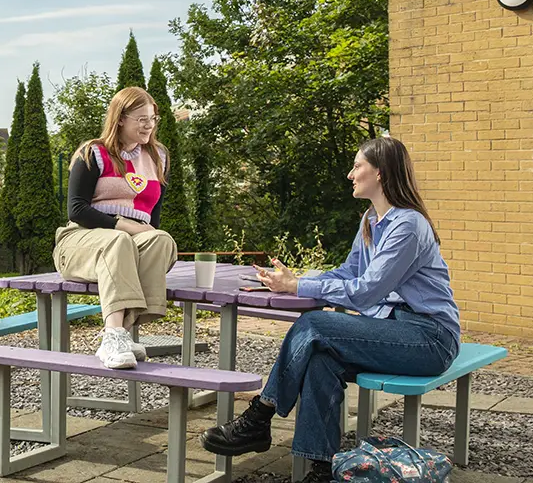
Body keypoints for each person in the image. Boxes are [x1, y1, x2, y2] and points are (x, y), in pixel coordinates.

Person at [200, 136, 461, 482]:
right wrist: (296, 279)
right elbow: (347, 273)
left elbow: (367, 291)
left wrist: (298, 288)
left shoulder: (408, 226)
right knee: (321, 362)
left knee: (315, 325)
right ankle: (321, 468)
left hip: (429, 337)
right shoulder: (371, 220)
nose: (351, 174)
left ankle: (260, 416)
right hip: (390, 331)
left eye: (357, 166)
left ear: (380, 173)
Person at [54, 86, 178, 370]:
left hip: (125, 246)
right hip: (80, 240)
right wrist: (127, 228)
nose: (149, 125)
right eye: (142, 119)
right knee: (118, 241)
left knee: (161, 240)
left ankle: (121, 331)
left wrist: (144, 232)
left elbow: (152, 217)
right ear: (120, 118)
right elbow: (77, 210)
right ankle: (112, 335)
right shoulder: (93, 153)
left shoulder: (158, 155)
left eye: (153, 119)